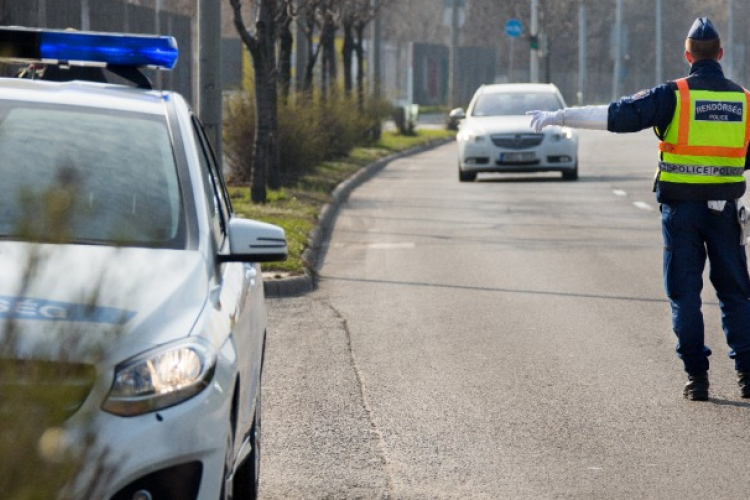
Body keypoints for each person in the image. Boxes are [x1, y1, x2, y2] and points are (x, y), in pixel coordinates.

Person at [528, 17, 750, 401]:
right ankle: (748, 375)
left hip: (681, 214)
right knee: (736, 296)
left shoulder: (673, 95)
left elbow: (616, 114)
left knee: (685, 296)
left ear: (687, 55)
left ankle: (697, 378)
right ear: (721, 53)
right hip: (725, 212)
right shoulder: (744, 100)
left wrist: (560, 117)